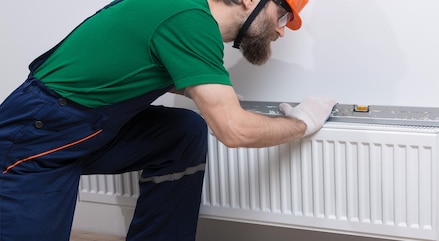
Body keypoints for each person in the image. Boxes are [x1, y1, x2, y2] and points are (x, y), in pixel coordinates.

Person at [0, 0, 337, 240]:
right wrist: (303, 124)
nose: (281, 32)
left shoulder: (186, 14)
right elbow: (234, 131)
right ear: (250, 0)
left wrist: (218, 96)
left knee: (183, 131)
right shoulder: (187, 19)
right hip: (37, 137)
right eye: (282, 17)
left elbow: (147, 72)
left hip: (90, 127)